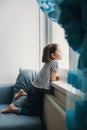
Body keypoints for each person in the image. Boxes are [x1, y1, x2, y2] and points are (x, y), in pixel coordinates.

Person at [1, 43, 62, 116]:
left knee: (29, 100)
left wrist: (56, 75)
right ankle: (14, 109)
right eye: (59, 51)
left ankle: (23, 93)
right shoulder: (55, 63)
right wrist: (56, 77)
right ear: (53, 55)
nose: (62, 53)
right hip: (36, 92)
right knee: (35, 112)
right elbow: (52, 79)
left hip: (32, 88)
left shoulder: (48, 63)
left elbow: (49, 75)